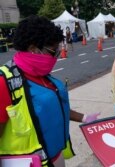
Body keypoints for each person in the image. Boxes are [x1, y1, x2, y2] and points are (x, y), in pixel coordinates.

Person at [0, 15, 100, 167]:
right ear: (33, 49)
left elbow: (55, 107)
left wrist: (85, 118)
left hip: (55, 157)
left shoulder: (42, 75)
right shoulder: (4, 82)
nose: (56, 57)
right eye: (53, 52)